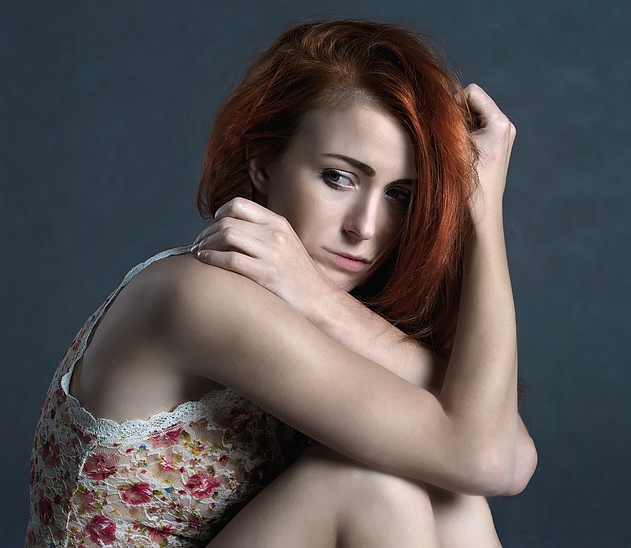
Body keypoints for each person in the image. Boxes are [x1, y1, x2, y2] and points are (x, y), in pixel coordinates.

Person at [27, 19, 537, 547]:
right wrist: (482, 215)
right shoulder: (198, 294)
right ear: (264, 163)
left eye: (399, 195)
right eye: (339, 177)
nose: (365, 227)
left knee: (447, 488)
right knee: (375, 483)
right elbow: (486, 458)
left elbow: (510, 455)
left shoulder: (313, 303)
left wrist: (479, 206)